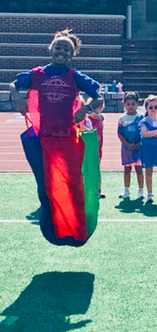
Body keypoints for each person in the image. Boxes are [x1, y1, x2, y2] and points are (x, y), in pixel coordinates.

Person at [9, 29, 101, 246]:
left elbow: (99, 97)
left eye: (67, 49)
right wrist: (19, 100)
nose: (62, 51)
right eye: (58, 47)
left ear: (72, 54)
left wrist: (86, 108)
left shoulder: (75, 76)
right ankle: (53, 230)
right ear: (50, 49)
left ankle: (76, 230)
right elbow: (13, 84)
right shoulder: (37, 74)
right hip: (43, 139)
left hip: (69, 139)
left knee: (72, 185)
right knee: (46, 187)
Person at [118, 91, 144, 199]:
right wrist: (127, 144)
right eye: (128, 104)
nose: (130, 106)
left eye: (133, 104)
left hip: (138, 148)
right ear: (124, 104)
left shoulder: (141, 117)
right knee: (127, 170)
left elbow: (143, 132)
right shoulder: (122, 119)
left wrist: (138, 144)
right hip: (126, 148)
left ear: (137, 104)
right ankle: (126, 189)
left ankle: (141, 190)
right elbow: (119, 133)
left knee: (139, 169)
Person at [87, 97, 106, 198]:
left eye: (99, 107)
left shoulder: (101, 117)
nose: (97, 109)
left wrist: (87, 111)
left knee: (97, 169)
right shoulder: (87, 118)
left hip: (98, 148)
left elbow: (97, 116)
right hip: (88, 147)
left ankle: (98, 189)